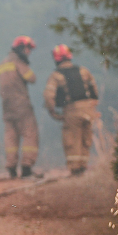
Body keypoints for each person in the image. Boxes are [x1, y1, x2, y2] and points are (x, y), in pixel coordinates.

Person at [43, 44, 100, 176]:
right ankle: (83, 168)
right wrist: (92, 106)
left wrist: (53, 112)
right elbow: (94, 90)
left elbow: (48, 96)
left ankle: (75, 171)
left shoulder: (56, 75)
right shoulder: (83, 70)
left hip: (72, 111)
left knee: (72, 140)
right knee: (86, 139)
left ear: (56, 58)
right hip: (88, 110)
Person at [0, 36, 39, 178]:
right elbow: (32, 78)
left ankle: (11, 168)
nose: (29, 53)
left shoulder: (2, 63)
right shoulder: (18, 62)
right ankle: (27, 168)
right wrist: (26, 65)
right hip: (21, 106)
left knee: (11, 137)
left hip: (7, 107)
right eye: (28, 49)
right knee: (29, 134)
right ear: (22, 48)